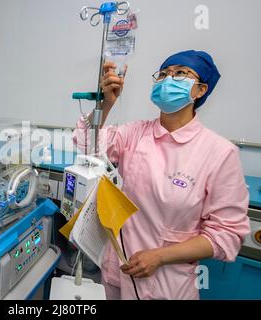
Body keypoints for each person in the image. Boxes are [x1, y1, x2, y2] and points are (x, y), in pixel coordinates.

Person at [72, 50, 250, 300]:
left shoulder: (219, 153)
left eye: (180, 73)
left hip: (167, 283)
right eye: (163, 74)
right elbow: (84, 143)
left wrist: (159, 256)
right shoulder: (135, 133)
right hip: (118, 271)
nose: (168, 80)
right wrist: (105, 104)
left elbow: (227, 235)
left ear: (200, 90)